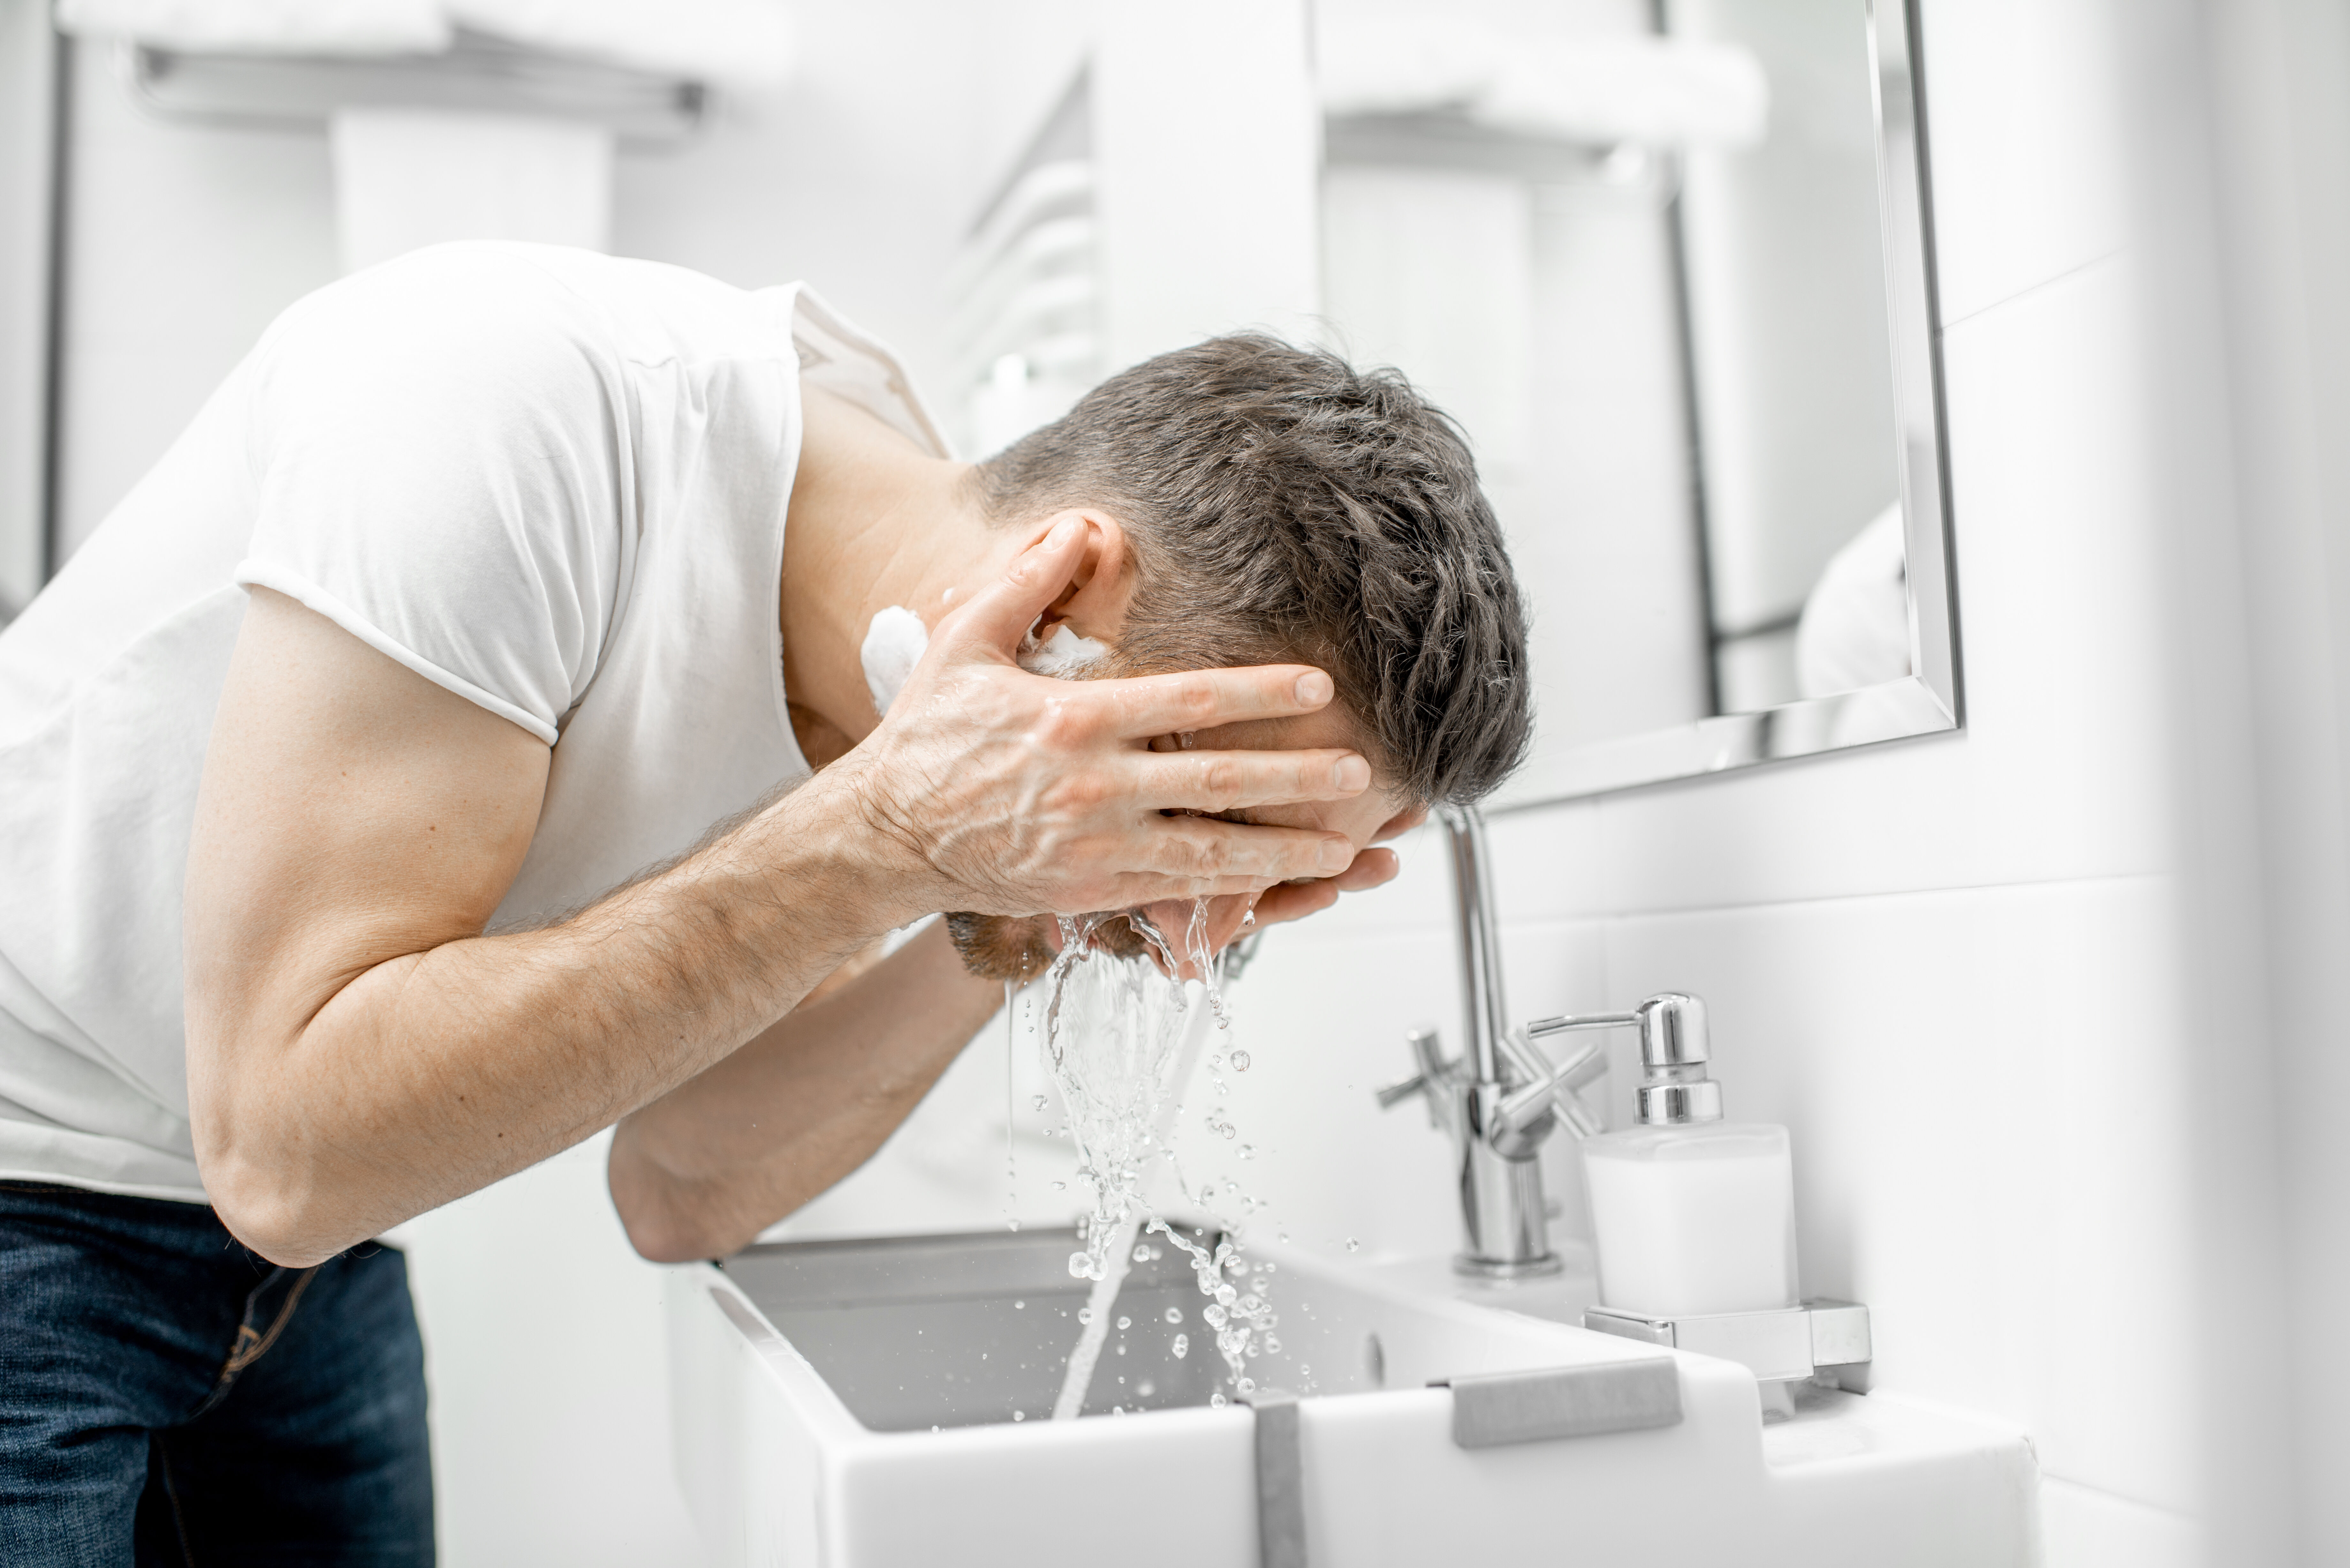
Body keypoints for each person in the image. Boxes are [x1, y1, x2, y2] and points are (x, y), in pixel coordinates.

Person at [0, 241, 1530, 1562]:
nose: (1201, 930)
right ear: (1067, 603)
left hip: (300, 1280)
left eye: (1257, 883)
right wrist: (891, 833)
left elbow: (682, 1186)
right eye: (1210, 824)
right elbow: (286, 1139)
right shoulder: (508, 410)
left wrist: (1023, 903)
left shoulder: (910, 677)